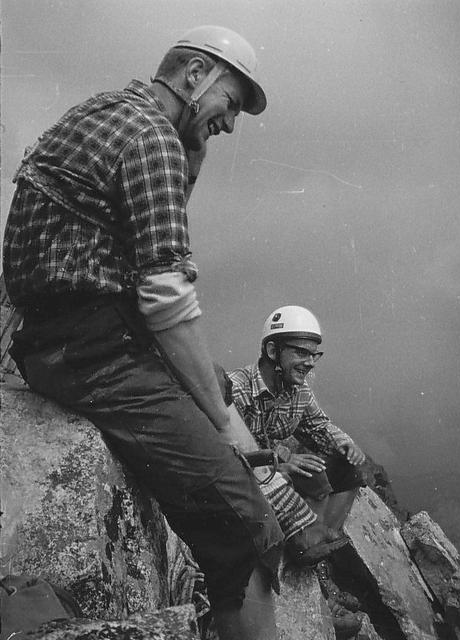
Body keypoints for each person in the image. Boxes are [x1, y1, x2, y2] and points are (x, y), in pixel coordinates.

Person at [2, 25, 284, 640]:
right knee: (247, 520)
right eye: (230, 103)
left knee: (213, 382)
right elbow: (166, 297)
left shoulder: (106, 111)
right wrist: (217, 419)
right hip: (94, 349)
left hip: (60, 337)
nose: (230, 125)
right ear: (193, 75)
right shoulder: (153, 137)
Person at [228, 305, 367, 562]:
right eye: (302, 353)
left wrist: (345, 443)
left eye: (315, 355)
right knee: (301, 475)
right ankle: (301, 543)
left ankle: (318, 539)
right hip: (246, 478)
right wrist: (280, 464)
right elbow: (227, 454)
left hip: (271, 473)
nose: (310, 363)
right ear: (272, 351)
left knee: (348, 468)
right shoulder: (236, 390)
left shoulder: (299, 392)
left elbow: (319, 426)